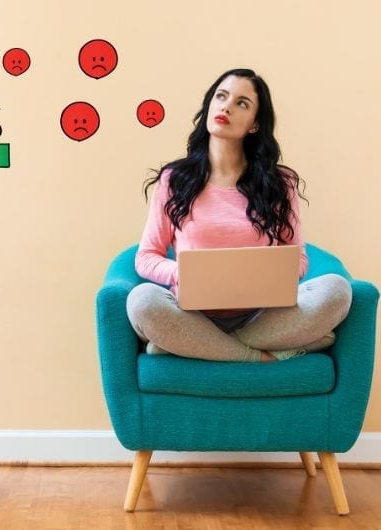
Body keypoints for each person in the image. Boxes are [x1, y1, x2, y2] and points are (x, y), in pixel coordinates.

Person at [127, 68, 352, 362]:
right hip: (190, 314)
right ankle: (258, 356)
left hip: (261, 316)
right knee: (142, 302)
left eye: (241, 103)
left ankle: (192, 347)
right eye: (221, 97)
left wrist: (266, 277)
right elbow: (146, 256)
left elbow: (297, 257)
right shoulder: (174, 179)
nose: (226, 106)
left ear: (255, 124)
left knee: (337, 290)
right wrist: (182, 273)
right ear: (209, 105)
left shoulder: (280, 183)